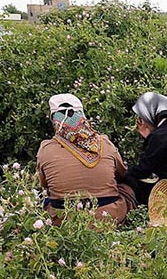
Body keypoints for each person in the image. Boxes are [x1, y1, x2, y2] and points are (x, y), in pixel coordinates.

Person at [36, 94, 137, 225]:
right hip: (107, 217)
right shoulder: (104, 143)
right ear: (82, 116)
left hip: (64, 219)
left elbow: (43, 184)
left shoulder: (46, 149)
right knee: (126, 189)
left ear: (55, 121)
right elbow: (121, 173)